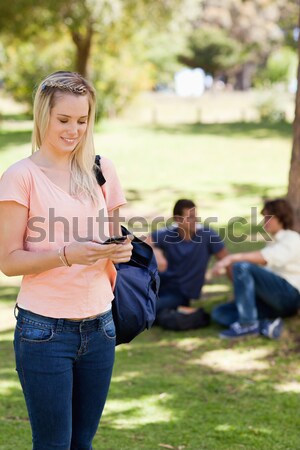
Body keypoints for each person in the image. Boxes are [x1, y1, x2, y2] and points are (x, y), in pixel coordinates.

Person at [0, 71, 133, 450]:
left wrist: (120, 251)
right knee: (53, 444)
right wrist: (64, 255)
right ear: (43, 116)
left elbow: (114, 239)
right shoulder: (19, 177)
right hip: (43, 331)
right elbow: (8, 261)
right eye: (64, 120)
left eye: (82, 120)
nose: (74, 130)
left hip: (100, 327)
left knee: (82, 443)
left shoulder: (101, 170)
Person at [211, 198, 300, 339]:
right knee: (220, 313)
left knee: (242, 266)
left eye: (270, 217)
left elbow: (266, 258)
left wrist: (231, 258)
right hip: (270, 299)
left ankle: (247, 325)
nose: (265, 221)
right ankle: (264, 326)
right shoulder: (272, 243)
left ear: (281, 217)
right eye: (264, 217)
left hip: (289, 295)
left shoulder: (292, 238)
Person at [148, 199, 228, 316]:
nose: (195, 220)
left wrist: (238, 293)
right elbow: (145, 240)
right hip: (159, 285)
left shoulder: (207, 235)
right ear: (177, 219)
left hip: (180, 294)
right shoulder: (169, 233)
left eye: (195, 216)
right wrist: (156, 251)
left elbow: (227, 260)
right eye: (190, 217)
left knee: (148, 307)